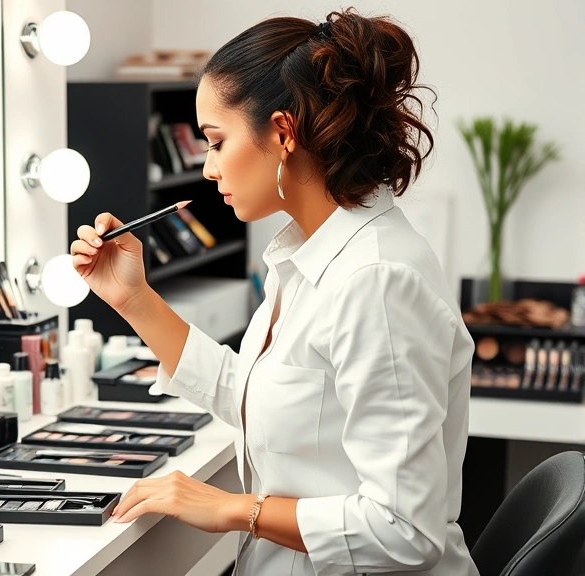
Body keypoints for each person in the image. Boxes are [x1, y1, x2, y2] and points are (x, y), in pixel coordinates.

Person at [71, 9, 479, 576]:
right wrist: (132, 299)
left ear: (283, 133)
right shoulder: (304, 256)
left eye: (216, 142)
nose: (209, 168)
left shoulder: (376, 281)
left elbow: (405, 530)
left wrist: (235, 510)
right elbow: (255, 392)